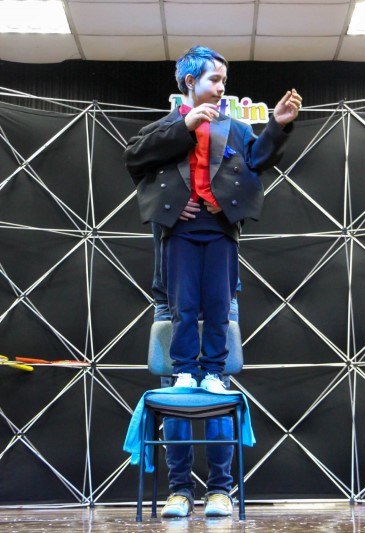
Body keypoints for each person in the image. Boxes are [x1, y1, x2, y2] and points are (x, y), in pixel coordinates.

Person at [124, 45, 301, 518]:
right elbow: (136, 159)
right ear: (190, 82)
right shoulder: (166, 127)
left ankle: (221, 489)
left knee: (217, 381)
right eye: (214, 79)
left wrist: (277, 125)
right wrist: (184, 130)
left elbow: (258, 158)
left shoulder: (233, 128)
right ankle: (179, 489)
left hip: (220, 252)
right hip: (172, 274)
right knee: (181, 388)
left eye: (224, 80)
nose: (222, 88)